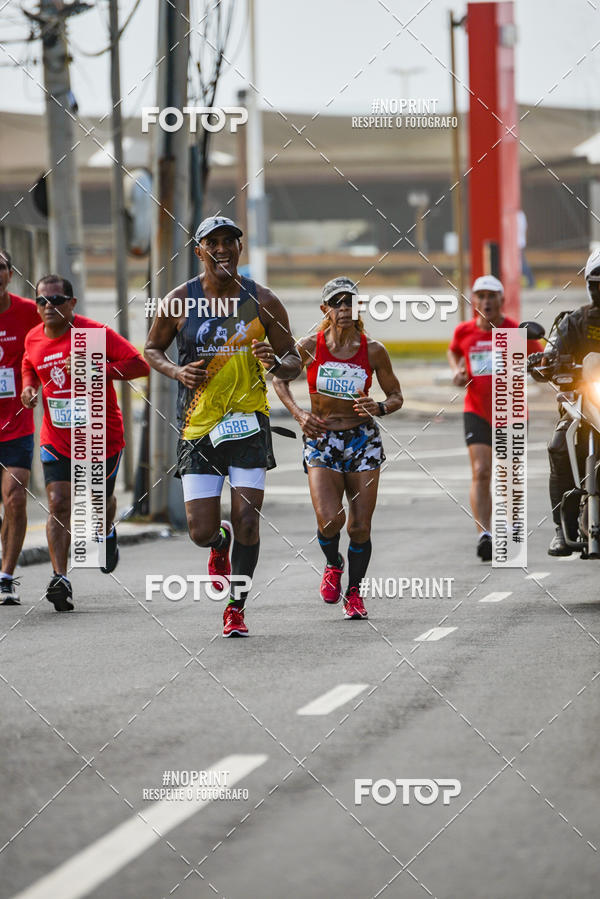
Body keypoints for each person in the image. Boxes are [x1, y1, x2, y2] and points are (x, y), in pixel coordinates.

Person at [144, 215, 301, 638]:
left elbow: (294, 361)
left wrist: (275, 361)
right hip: (198, 425)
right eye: (212, 243)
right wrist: (177, 373)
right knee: (199, 531)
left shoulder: (263, 301)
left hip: (249, 423)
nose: (222, 249)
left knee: (249, 520)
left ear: (240, 249)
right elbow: (152, 349)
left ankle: (236, 605)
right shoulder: (179, 300)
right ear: (199, 251)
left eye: (229, 241)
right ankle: (217, 545)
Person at [272, 276, 403, 619]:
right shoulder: (309, 346)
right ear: (325, 310)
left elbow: (396, 396)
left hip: (362, 440)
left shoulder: (373, 350)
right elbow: (279, 379)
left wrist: (381, 407)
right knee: (331, 520)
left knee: (359, 526)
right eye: (337, 303)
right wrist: (300, 414)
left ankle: (355, 593)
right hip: (322, 439)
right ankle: (333, 562)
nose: (345, 309)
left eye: (351, 303)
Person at [21, 274, 149, 611]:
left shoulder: (93, 334)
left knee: (97, 502)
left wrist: (96, 368)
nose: (49, 306)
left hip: (101, 439)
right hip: (56, 439)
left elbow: (139, 365)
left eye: (57, 300)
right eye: (42, 301)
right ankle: (60, 577)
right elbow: (29, 365)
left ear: (72, 303)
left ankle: (105, 531)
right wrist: (29, 388)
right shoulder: (34, 338)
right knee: (59, 502)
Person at [448, 275, 543, 561]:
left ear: (502, 300)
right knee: (481, 471)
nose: (486, 302)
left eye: (492, 296)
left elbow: (539, 362)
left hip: (511, 410)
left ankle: (512, 528)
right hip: (475, 408)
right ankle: (485, 535)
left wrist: (536, 371)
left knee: (509, 473)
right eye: (481, 296)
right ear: (474, 301)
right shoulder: (464, 332)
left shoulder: (515, 331)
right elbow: (453, 352)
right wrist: (457, 370)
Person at [546, 247, 600, 555]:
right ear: (591, 286)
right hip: (584, 405)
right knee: (558, 444)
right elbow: (556, 354)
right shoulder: (574, 322)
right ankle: (560, 527)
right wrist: (546, 362)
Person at [0, 249, 40, 604]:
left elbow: (52, 342)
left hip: (16, 424)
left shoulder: (28, 312)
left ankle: (6, 576)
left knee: (14, 499)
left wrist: (36, 384)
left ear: (10, 273)